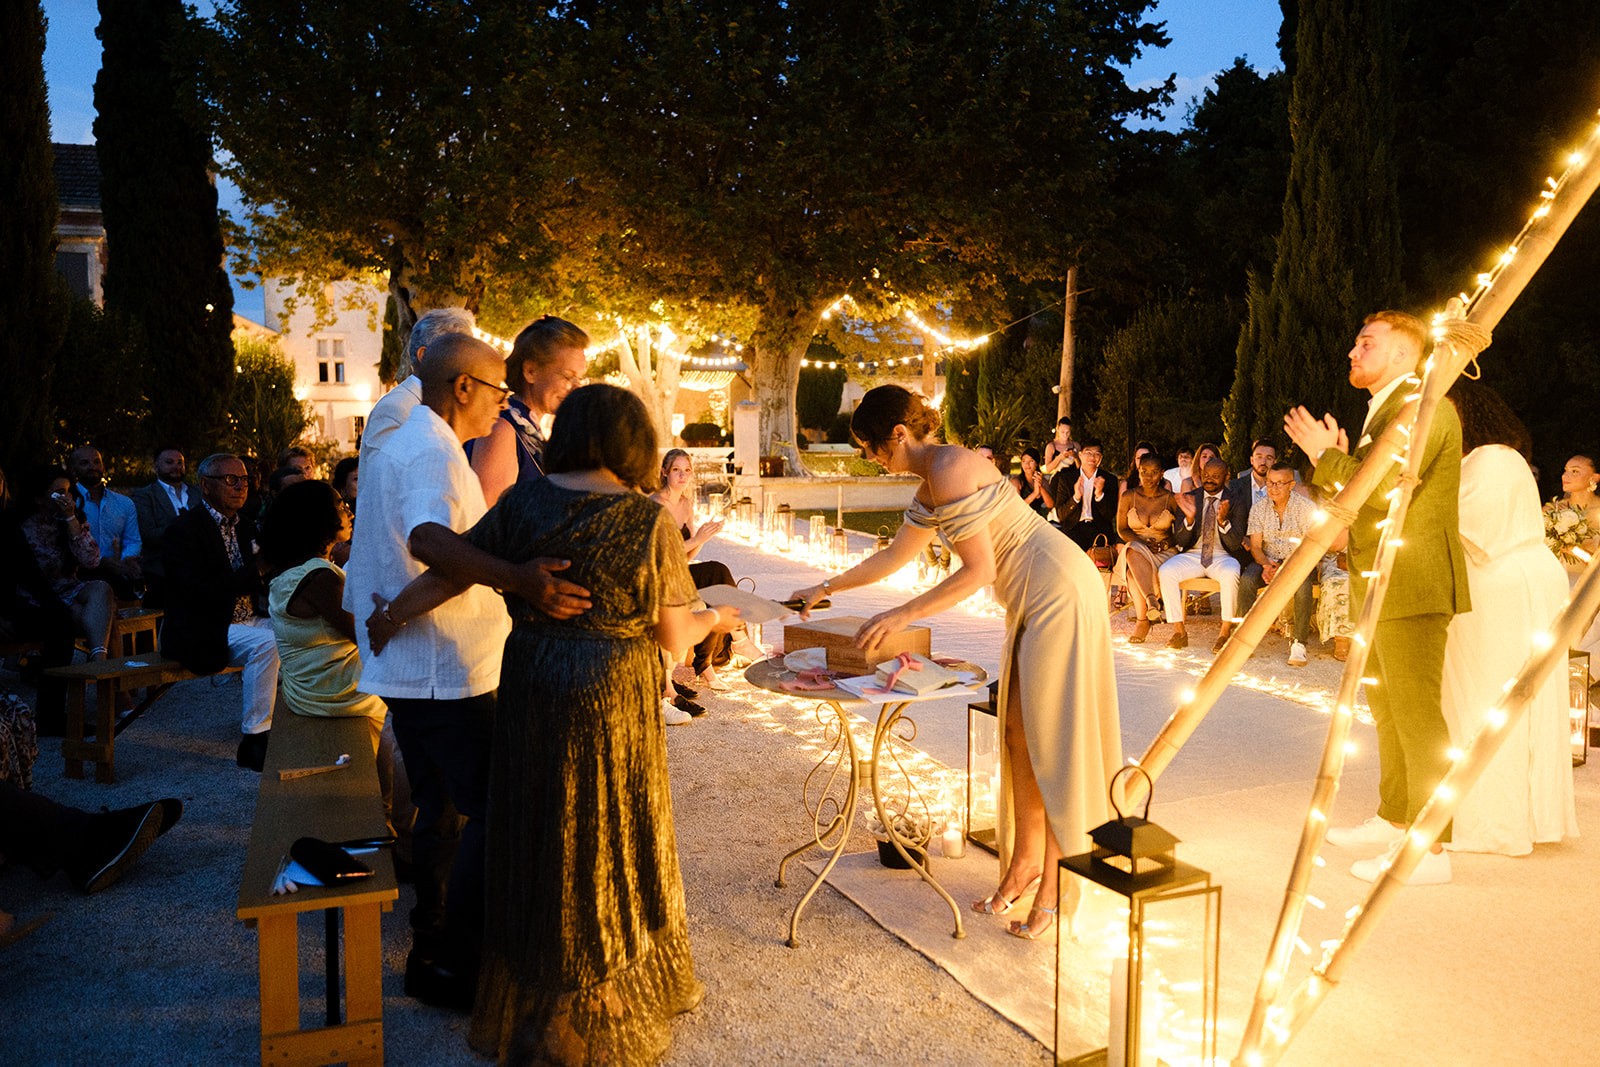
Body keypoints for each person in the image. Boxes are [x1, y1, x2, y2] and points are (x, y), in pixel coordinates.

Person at [368, 384, 735, 1062]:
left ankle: (539, 984)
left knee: (542, 826)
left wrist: (393, 613)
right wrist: (718, 615)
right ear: (634, 442)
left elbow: (452, 569)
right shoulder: (647, 521)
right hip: (611, 691)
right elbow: (674, 638)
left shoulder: (525, 503)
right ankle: (598, 985)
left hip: (534, 682)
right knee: (605, 829)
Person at [790, 385, 1120, 942]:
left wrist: (901, 615)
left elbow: (978, 572)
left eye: (871, 447)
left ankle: (1058, 880)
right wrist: (825, 587)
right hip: (1032, 597)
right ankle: (1025, 860)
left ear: (899, 434)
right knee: (1017, 734)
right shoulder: (931, 481)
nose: (871, 458)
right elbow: (895, 555)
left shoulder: (949, 468)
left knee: (1051, 740)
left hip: (1058, 588)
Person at [346, 333, 589, 1010]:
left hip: (420, 662)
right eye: (497, 391)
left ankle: (433, 944)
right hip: (444, 668)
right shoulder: (429, 447)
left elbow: (440, 548)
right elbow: (431, 540)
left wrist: (396, 612)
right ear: (462, 388)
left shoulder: (413, 441)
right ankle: (460, 957)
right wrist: (520, 577)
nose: (502, 404)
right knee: (487, 807)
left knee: (443, 809)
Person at [1286, 310, 1470, 885]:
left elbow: (1387, 488)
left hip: (1411, 581)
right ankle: (1395, 818)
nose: (1352, 352)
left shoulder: (1427, 405)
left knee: (1416, 714)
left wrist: (1325, 455)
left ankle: (1430, 850)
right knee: (1387, 710)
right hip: (1378, 580)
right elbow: (1355, 501)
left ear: (1403, 354)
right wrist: (1332, 461)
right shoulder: (1385, 411)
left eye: (1366, 343)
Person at [1438, 380, 1577, 855]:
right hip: (1516, 580)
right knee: (1512, 701)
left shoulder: (1491, 459)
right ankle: (1526, 816)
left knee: (1487, 698)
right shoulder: (1497, 458)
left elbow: (1465, 527)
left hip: (1503, 585)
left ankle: (1492, 823)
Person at [160, 454, 280, 771]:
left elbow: (264, 575)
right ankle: (255, 740)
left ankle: (293, 723)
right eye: (230, 480)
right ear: (205, 485)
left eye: (244, 480)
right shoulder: (184, 530)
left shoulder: (247, 527)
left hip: (248, 618)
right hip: (204, 624)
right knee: (267, 644)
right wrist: (259, 568)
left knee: (297, 632)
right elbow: (200, 592)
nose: (241, 486)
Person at [467, 315, 590, 506]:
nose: (576, 387)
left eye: (579, 379)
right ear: (530, 371)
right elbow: (487, 513)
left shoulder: (527, 427)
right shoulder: (501, 429)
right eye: (567, 377)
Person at [651, 448, 732, 705]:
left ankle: (704, 661)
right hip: (661, 574)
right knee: (711, 582)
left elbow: (687, 555)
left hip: (680, 570)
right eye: (676, 470)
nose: (682, 475)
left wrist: (703, 537)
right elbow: (662, 553)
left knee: (718, 572)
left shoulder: (686, 504)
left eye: (687, 470)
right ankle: (712, 659)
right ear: (664, 472)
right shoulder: (655, 504)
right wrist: (697, 539)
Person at [0, 467, 75, 734]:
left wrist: (56, 607)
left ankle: (51, 717)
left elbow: (28, 573)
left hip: (11, 608)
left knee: (61, 624)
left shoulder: (7, 523)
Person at [17, 466, 116, 661]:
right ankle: (104, 668)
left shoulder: (71, 520)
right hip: (39, 596)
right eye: (60, 492)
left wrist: (71, 519)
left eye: (69, 491)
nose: (67, 497)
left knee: (102, 589)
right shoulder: (23, 526)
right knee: (106, 618)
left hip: (69, 590)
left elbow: (91, 560)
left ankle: (99, 661)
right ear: (40, 497)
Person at [359, 306, 477, 460]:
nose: (468, 365)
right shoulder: (394, 409)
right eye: (458, 354)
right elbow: (386, 471)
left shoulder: (446, 405)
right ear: (424, 355)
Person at [1156, 457, 1249, 653]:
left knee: (1231, 573)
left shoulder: (1237, 500)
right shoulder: (1190, 497)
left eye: (1216, 476)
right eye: (1206, 475)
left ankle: (1224, 633)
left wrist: (1223, 522)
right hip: (1194, 554)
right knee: (1166, 571)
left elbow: (1235, 543)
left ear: (1226, 477)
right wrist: (1189, 520)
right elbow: (1180, 540)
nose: (1209, 480)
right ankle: (1179, 632)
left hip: (1223, 555)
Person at [1238, 461, 1318, 666]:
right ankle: (1243, 638)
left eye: (1279, 483)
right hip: (1268, 559)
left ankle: (1299, 643)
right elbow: (1256, 547)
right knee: (1247, 580)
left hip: (1297, 562)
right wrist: (1266, 565)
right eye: (1270, 483)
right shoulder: (1259, 508)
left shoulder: (1306, 507)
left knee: (1303, 586)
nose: (1273, 488)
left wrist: (1286, 568)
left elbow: (1309, 548)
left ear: (1291, 485)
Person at [1117, 454, 1179, 644]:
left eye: (1154, 472)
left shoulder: (1170, 499)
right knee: (1132, 549)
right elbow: (1122, 529)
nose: (1148, 477)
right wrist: (1142, 544)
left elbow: (1182, 533)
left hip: (1164, 552)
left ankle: (1142, 621)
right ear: (1138, 472)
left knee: (1132, 573)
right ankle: (1151, 601)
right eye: (1144, 472)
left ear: (1162, 474)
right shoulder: (1129, 496)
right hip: (1136, 548)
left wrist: (1165, 544)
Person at [67, 445, 142, 597]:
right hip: (77, 576)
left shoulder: (124, 503)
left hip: (118, 575)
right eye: (85, 463)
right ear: (73, 470)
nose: (92, 467)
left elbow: (133, 540)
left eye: (97, 462)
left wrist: (126, 559)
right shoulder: (69, 502)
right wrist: (103, 562)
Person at [130, 444, 193, 607]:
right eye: (169, 462)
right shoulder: (145, 496)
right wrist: (182, 525)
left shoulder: (196, 493)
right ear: (156, 466)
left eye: (180, 462)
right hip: (162, 567)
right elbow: (148, 535)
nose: (176, 467)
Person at [1046, 439, 1118, 551]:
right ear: (1080, 455)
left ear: (1100, 458)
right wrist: (1076, 498)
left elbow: (1110, 515)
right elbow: (1061, 514)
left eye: (1096, 454)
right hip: (1074, 528)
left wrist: (1099, 494)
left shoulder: (1109, 480)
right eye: (1088, 453)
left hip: (1099, 530)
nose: (1092, 457)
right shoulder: (1066, 479)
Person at [1014, 449, 1049, 518]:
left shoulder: (1043, 481)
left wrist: (1040, 486)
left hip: (1037, 518)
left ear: (1037, 463)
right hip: (1020, 518)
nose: (1027, 464)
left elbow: (1050, 505)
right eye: (1024, 461)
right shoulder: (1016, 482)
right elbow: (1018, 508)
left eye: (1031, 461)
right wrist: (1035, 493)